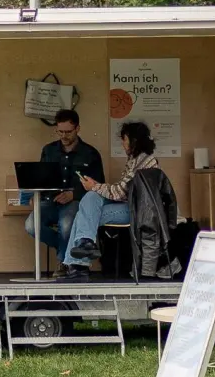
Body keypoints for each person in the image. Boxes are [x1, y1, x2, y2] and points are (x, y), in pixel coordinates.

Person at [58, 121, 160, 283]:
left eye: (124, 139)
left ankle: (78, 265)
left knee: (86, 213)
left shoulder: (143, 161)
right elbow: (122, 190)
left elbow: (120, 192)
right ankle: (85, 246)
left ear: (133, 140)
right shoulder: (137, 159)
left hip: (136, 211)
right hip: (129, 205)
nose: (123, 143)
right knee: (90, 199)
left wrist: (95, 186)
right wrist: (94, 189)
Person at [23, 109, 104, 259]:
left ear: (77, 129)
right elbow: (41, 178)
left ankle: (63, 261)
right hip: (50, 200)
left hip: (75, 202)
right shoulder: (49, 150)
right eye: (60, 132)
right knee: (31, 226)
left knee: (67, 226)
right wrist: (35, 195)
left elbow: (99, 186)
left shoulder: (90, 153)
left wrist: (74, 194)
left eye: (68, 132)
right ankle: (64, 251)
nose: (63, 136)